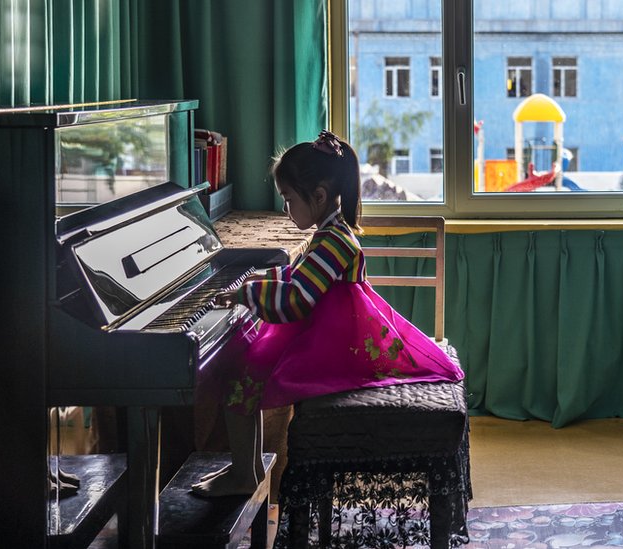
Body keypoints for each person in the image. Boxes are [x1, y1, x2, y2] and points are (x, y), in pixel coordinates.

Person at [190, 130, 465, 497]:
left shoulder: (333, 240)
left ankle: (245, 472)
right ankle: (249, 467)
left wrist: (246, 293)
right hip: (331, 337)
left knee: (242, 379)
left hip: (335, 347)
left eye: (289, 200)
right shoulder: (333, 233)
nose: (286, 209)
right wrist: (258, 279)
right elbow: (299, 275)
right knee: (245, 374)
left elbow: (298, 300)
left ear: (318, 196)